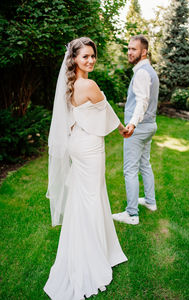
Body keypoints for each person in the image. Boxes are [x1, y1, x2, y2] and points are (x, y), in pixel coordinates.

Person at [44, 37, 129, 300]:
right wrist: (123, 129)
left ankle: (95, 249)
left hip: (76, 144)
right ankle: (92, 258)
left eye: (93, 56)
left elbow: (70, 118)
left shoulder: (68, 85)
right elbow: (107, 112)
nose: (90, 60)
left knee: (83, 198)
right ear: (75, 59)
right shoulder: (89, 85)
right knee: (92, 199)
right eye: (85, 57)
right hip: (90, 148)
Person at [112, 35, 159, 226]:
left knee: (130, 170)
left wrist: (132, 123)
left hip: (138, 129)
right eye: (128, 48)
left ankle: (131, 214)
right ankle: (150, 201)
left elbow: (142, 101)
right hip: (150, 125)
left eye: (133, 49)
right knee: (144, 165)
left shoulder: (141, 73)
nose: (129, 52)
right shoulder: (149, 71)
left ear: (144, 51)